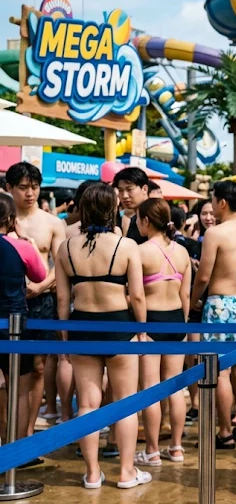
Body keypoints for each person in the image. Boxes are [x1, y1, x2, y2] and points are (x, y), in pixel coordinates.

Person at [54, 183, 151, 489]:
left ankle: (93, 473)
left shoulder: (66, 247)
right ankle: (126, 472)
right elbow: (137, 296)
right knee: (125, 402)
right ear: (113, 209)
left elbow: (62, 299)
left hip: (82, 327)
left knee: (87, 404)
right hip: (119, 326)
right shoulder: (126, 246)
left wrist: (65, 336)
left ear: (83, 209)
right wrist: (142, 330)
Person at [190, 181, 236, 448]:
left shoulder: (215, 233)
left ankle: (225, 430)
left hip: (219, 304)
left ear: (222, 202)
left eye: (213, 200)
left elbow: (203, 276)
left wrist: (192, 301)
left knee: (219, 371)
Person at [7, 162, 66, 440]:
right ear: (9, 188)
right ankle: (9, 432)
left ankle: (28, 431)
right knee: (9, 371)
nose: (29, 193)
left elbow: (60, 264)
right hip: (8, 301)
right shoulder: (4, 219)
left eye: (34, 187)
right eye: (23, 188)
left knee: (38, 367)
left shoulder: (52, 222)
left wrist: (41, 286)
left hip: (40, 301)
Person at [134, 198, 192, 466]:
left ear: (146, 220)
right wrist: (184, 323)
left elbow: (137, 296)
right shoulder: (182, 252)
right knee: (176, 387)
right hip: (177, 320)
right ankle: (177, 447)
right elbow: (185, 295)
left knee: (151, 388)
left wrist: (141, 328)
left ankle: (153, 450)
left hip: (151, 322)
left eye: (138, 218)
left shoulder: (141, 251)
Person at [0, 193, 47, 455]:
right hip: (15, 324)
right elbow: (39, 276)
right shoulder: (22, 247)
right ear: (10, 219)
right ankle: (16, 453)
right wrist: (27, 241)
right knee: (19, 390)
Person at [113, 167, 151, 244]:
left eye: (129, 189)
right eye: (120, 190)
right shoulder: (135, 218)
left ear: (144, 189)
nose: (124, 196)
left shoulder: (154, 214)